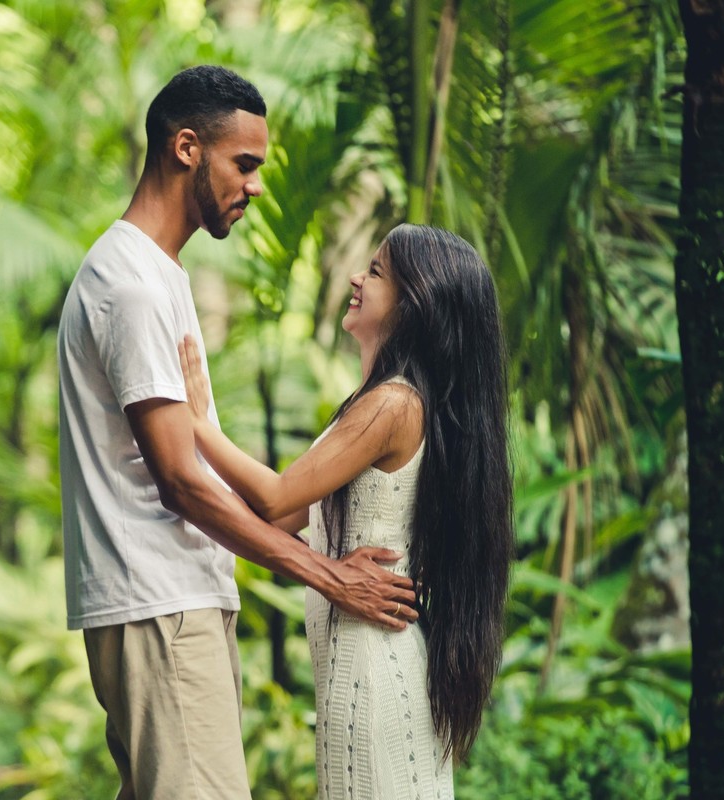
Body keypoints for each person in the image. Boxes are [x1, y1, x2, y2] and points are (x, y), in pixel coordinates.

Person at [57, 66, 418, 800]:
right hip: (158, 602)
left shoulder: (160, 277)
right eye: (244, 165)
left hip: (174, 601)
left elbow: (207, 469)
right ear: (185, 147)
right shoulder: (128, 284)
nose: (256, 186)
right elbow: (181, 481)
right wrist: (329, 576)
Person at [178, 223, 514, 798]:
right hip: (356, 669)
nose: (357, 277)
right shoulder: (380, 403)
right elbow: (278, 522)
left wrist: (195, 423)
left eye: (377, 271)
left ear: (414, 307)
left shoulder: (393, 404)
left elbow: (278, 497)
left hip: (374, 672)